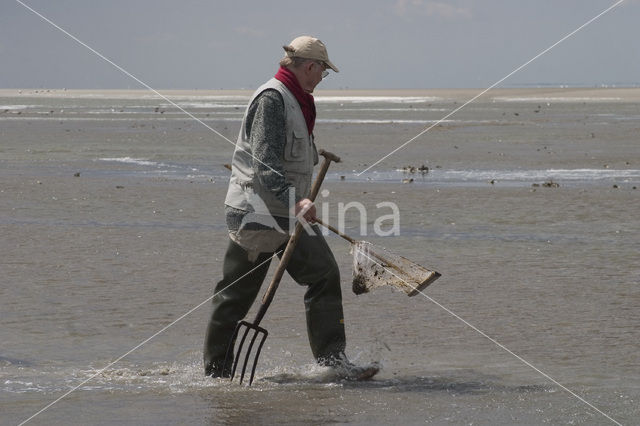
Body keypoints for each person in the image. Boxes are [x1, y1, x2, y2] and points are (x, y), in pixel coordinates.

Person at [204, 36, 373, 380]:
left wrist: (297, 200)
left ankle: (333, 364)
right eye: (323, 73)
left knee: (324, 272)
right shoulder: (272, 99)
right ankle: (216, 374)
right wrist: (297, 199)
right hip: (257, 214)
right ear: (310, 67)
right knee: (235, 296)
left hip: (286, 213)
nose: (321, 80)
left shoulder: (298, 100)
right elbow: (264, 164)